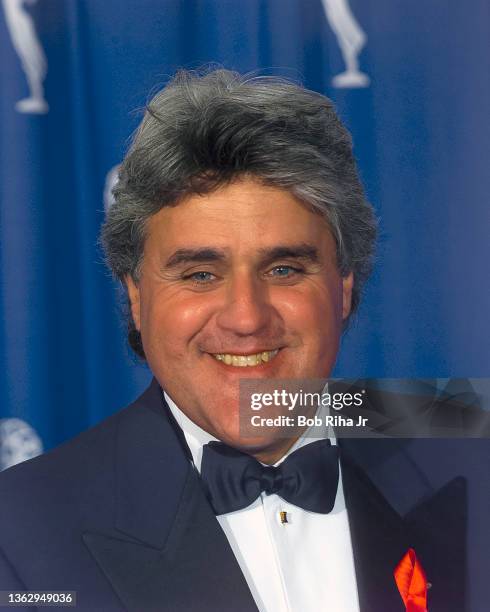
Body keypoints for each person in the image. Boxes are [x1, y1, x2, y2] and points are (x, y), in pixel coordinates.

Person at [0, 69, 474, 611]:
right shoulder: (18, 532)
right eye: (201, 274)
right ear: (136, 295)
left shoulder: (464, 441)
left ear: (343, 287)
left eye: (285, 269)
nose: (246, 319)